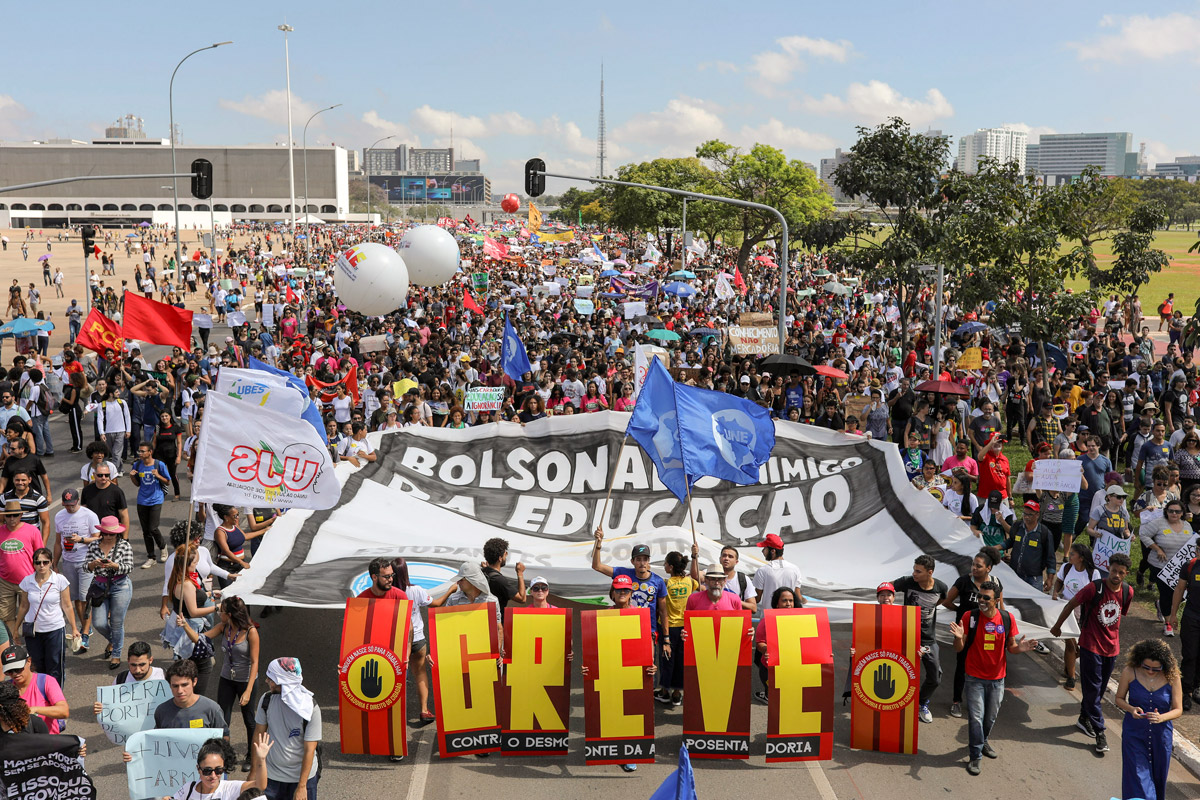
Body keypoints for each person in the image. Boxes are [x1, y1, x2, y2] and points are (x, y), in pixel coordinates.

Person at [949, 580, 1038, 775]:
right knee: (976, 718)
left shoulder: (1007, 619)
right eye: (979, 596)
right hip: (973, 678)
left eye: (986, 598)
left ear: (997, 600)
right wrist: (958, 637)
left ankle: (983, 741)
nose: (981, 600)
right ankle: (975, 756)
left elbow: (1012, 647)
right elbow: (959, 648)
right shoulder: (969, 616)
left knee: (989, 718)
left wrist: (1020, 649)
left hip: (998, 680)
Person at [1050, 552, 1134, 754]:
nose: (1116, 575)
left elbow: (1120, 615)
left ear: (1125, 574)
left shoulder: (1127, 592)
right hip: (1090, 645)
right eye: (1113, 570)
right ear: (1109, 570)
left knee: (1097, 690)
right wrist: (1057, 626)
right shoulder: (1094, 588)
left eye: (1120, 572)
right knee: (1093, 691)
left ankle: (1083, 719)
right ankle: (1100, 732)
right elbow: (1071, 604)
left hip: (1112, 649)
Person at [578, 574, 658, 773]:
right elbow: (591, 644)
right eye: (618, 590)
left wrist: (651, 662)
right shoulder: (604, 614)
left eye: (625, 590)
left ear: (631, 593)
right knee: (611, 709)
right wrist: (587, 666)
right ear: (612, 593)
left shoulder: (640, 614)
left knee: (631, 708)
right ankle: (615, 750)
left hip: (633, 668)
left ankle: (629, 754)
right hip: (609, 668)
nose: (622, 593)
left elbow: (648, 640)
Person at [178, 597, 260, 771]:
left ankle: (251, 756)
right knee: (223, 719)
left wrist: (248, 690)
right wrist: (185, 625)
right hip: (227, 678)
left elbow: (255, 662)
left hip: (246, 680)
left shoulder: (250, 632)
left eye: (220, 611)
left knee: (249, 719)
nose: (218, 613)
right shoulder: (223, 627)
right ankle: (224, 756)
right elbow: (199, 639)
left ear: (229, 614)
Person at [1115, 639, 1182, 800]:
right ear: (1139, 662)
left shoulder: (1172, 677)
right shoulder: (1130, 671)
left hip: (1161, 737)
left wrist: (1161, 717)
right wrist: (1131, 709)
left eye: (1156, 669)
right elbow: (1119, 699)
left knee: (1158, 781)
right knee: (1138, 780)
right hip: (1134, 735)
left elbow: (1178, 709)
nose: (1151, 671)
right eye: (1146, 667)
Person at [942, 548, 1004, 718]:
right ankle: (957, 701)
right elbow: (947, 601)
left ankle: (979, 702)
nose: (974, 568)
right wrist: (961, 612)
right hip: (966, 633)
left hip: (987, 633)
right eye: (973, 565)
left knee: (984, 665)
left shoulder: (995, 583)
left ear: (988, 569)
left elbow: (1001, 609)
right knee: (962, 666)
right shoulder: (963, 581)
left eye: (978, 566)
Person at [591, 526, 668, 651]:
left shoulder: (658, 581)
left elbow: (663, 612)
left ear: (649, 561)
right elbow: (597, 566)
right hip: (624, 627)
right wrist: (598, 544)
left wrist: (666, 639)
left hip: (648, 631)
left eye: (645, 559)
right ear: (632, 561)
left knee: (647, 668)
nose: (642, 563)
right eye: (638, 559)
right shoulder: (624, 573)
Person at [254, 657, 320, 800]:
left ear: (282, 681)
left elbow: (310, 750)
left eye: (270, 677)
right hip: (271, 778)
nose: (266, 681)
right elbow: (258, 736)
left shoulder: (310, 708)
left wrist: (302, 787)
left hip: (302, 780)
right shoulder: (266, 700)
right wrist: (255, 771)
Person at [892, 554, 948, 724]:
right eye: (914, 570)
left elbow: (942, 600)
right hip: (906, 637)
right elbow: (886, 589)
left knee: (935, 677)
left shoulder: (940, 587)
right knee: (899, 673)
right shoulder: (907, 582)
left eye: (918, 571)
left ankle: (921, 703)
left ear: (929, 573)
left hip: (928, 640)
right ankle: (896, 704)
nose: (914, 574)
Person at [15, 547, 78, 687]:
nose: (41, 565)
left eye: (45, 562)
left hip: (55, 629)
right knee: (37, 666)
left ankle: (56, 698)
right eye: (38, 562)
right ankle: (42, 697)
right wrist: (15, 629)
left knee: (55, 666)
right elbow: (24, 606)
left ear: (51, 562)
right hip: (33, 632)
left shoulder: (60, 580)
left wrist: (74, 628)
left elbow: (67, 606)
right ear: (33, 564)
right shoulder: (27, 581)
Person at [52, 488, 99, 653]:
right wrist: (55, 563)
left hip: (86, 562)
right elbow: (58, 542)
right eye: (66, 505)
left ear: (77, 501)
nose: (69, 508)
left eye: (72, 505)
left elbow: (99, 538)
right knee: (76, 599)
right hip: (68, 562)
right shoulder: (59, 516)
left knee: (85, 598)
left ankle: (84, 633)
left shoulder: (89, 515)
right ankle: (86, 626)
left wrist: (82, 539)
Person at [85, 516, 134, 668]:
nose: (107, 536)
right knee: (98, 622)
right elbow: (85, 567)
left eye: (111, 534)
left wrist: (115, 566)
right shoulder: (94, 546)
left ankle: (116, 654)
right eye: (105, 533)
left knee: (116, 623)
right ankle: (114, 641)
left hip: (120, 585)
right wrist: (93, 564)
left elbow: (129, 567)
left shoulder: (124, 545)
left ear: (117, 534)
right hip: (100, 586)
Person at [1053, 543, 1102, 691]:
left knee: (1081, 646)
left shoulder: (1093, 574)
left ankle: (1068, 666)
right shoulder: (1066, 568)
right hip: (1067, 609)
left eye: (1072, 554)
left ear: (1080, 558)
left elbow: (1097, 595)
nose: (1069, 556)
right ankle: (1072, 677)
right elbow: (1059, 581)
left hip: (1085, 612)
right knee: (1070, 644)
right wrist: (1055, 592)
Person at [391, 557, 434, 725]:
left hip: (397, 641)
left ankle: (395, 714)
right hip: (418, 639)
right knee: (421, 674)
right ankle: (424, 710)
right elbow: (435, 603)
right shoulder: (416, 590)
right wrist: (451, 590)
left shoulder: (389, 593)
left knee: (396, 677)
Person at [1142, 499, 1193, 637]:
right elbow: (1143, 534)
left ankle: (1160, 605)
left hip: (1179, 568)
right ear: (1166, 512)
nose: (1174, 514)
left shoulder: (1187, 526)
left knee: (1181, 595)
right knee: (1167, 594)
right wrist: (1157, 548)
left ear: (1182, 513)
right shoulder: (1159, 523)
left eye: (1177, 511)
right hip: (1160, 566)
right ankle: (1168, 623)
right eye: (1171, 511)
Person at [170, 734, 273, 800]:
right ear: (198, 769)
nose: (213, 775)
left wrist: (261, 760)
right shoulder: (188, 789)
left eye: (219, 770)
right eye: (207, 771)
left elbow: (260, 785)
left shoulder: (229, 789)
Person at [0, 499, 44, 641]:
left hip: (27, 580)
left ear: (21, 515)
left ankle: (32, 644)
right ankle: (15, 642)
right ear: (4, 516)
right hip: (4, 581)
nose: (12, 519)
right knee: (6, 615)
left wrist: (42, 577)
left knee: (29, 614)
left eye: (15, 515)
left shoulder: (32, 531)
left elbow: (40, 555)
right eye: (8, 515)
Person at [0, 644, 68, 734]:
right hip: (19, 743)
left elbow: (64, 711)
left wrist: (35, 710)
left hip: (48, 742)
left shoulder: (46, 681)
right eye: (9, 671)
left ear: (29, 661)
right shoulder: (6, 689)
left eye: (18, 669)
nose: (14, 674)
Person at [92, 641, 166, 721]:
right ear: (128, 661)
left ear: (150, 660)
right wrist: (102, 708)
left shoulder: (164, 677)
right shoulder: (121, 679)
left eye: (142, 665)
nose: (137, 670)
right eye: (133, 665)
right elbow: (111, 705)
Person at [657, 551, 694, 708]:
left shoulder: (665, 583)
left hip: (668, 627)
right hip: (684, 628)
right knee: (680, 661)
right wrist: (695, 557)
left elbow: (661, 608)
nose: (664, 566)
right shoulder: (690, 582)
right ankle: (677, 694)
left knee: (666, 660)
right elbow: (698, 578)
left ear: (670, 567)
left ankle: (665, 692)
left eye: (665, 563)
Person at [754, 586, 798, 704]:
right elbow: (759, 643)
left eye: (791, 600)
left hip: (792, 667)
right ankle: (767, 695)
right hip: (769, 668)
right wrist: (766, 649)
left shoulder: (801, 620)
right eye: (784, 600)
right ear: (777, 603)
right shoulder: (766, 620)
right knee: (774, 696)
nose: (788, 603)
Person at [130, 442, 170, 567]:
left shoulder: (159, 465)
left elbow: (168, 481)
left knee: (153, 528)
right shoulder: (137, 465)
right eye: (139, 451)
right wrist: (132, 477)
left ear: (150, 452)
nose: (140, 454)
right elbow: (138, 484)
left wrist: (158, 475)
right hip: (142, 500)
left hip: (156, 499)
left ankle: (163, 547)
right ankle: (151, 557)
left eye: (143, 451)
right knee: (146, 531)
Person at [1003, 500, 1056, 593]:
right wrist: (996, 548)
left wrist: (1050, 579)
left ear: (1037, 515)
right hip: (1015, 575)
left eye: (1030, 514)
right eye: (1025, 514)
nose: (1026, 517)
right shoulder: (1017, 526)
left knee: (1034, 605)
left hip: (1034, 579)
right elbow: (1010, 541)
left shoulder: (1044, 533)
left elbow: (1050, 558)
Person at [752, 533, 804, 609]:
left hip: (769, 617)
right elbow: (798, 597)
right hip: (788, 616)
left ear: (772, 551)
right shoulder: (795, 569)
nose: (762, 551)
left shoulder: (762, 571)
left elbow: (756, 599)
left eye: (765, 548)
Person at [81, 460, 130, 538]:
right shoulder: (87, 490)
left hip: (111, 535)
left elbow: (124, 516)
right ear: (94, 475)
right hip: (93, 535)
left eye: (106, 475)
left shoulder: (117, 491)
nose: (104, 478)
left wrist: (125, 538)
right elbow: (83, 513)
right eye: (100, 475)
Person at [481, 536, 525, 612]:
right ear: (500, 558)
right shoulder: (499, 580)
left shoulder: (480, 573)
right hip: (496, 622)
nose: (506, 555)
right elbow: (522, 598)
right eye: (505, 553)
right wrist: (520, 573)